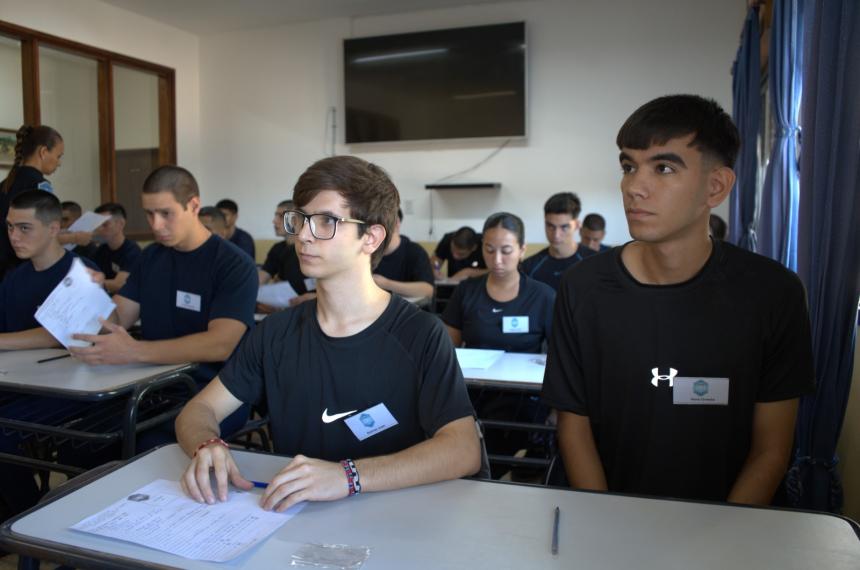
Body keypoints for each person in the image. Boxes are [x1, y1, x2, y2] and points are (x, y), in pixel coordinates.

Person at [542, 94, 815, 504]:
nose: (634, 187)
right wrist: (603, 525)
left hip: (726, 532)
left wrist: (722, 541)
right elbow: (574, 427)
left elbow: (771, 450)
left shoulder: (773, 293)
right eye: (628, 166)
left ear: (716, 186)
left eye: (664, 168)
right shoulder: (583, 287)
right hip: (604, 523)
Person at [176, 156, 480, 511]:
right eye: (301, 219)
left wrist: (347, 476)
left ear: (371, 237)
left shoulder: (420, 333)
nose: (303, 234)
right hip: (294, 516)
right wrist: (206, 444)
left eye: (327, 221)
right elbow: (198, 410)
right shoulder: (275, 333)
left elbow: (463, 448)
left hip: (393, 516)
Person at [69, 165, 258, 440]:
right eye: (149, 213)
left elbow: (221, 343)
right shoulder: (151, 258)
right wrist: (91, 293)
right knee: (79, 440)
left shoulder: (233, 264)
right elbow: (119, 320)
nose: (156, 225)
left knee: (146, 445)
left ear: (193, 205)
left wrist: (135, 351)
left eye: (166, 213)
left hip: (213, 393)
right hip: (150, 388)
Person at [0, 190, 100, 521]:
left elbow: (63, 334)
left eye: (24, 228)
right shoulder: (15, 278)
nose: (14, 236)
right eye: (10, 227)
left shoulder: (80, 271)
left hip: (70, 390)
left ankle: (29, 519)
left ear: (54, 228)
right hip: (19, 382)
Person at [442, 212, 555, 354]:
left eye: (506, 251)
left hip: (523, 375)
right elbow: (447, 351)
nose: (497, 260)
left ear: (522, 250)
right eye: (489, 250)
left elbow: (560, 354)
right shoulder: (466, 291)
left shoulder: (543, 296)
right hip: (474, 376)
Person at [0, 124, 64, 281]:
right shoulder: (40, 186)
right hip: (24, 269)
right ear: (43, 152)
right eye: (58, 156)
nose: (59, 163)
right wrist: (74, 238)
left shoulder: (5, 184)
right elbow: (45, 233)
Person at [521, 192, 595, 291]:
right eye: (550, 226)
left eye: (564, 227)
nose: (556, 234)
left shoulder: (594, 263)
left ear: (577, 225)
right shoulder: (529, 267)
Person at [258, 199, 316, 311]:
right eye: (275, 216)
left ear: (295, 220)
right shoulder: (278, 249)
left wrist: (316, 298)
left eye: (280, 216)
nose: (274, 221)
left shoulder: (312, 249)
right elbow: (260, 279)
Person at [373, 208, 434, 301]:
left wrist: (386, 284)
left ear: (396, 223)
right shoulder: (367, 253)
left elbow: (428, 290)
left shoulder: (415, 252)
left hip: (408, 312)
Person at [92, 202, 141, 294]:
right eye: (97, 225)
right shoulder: (101, 250)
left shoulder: (132, 251)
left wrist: (92, 283)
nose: (99, 229)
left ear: (121, 224)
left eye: (105, 224)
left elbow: (119, 284)